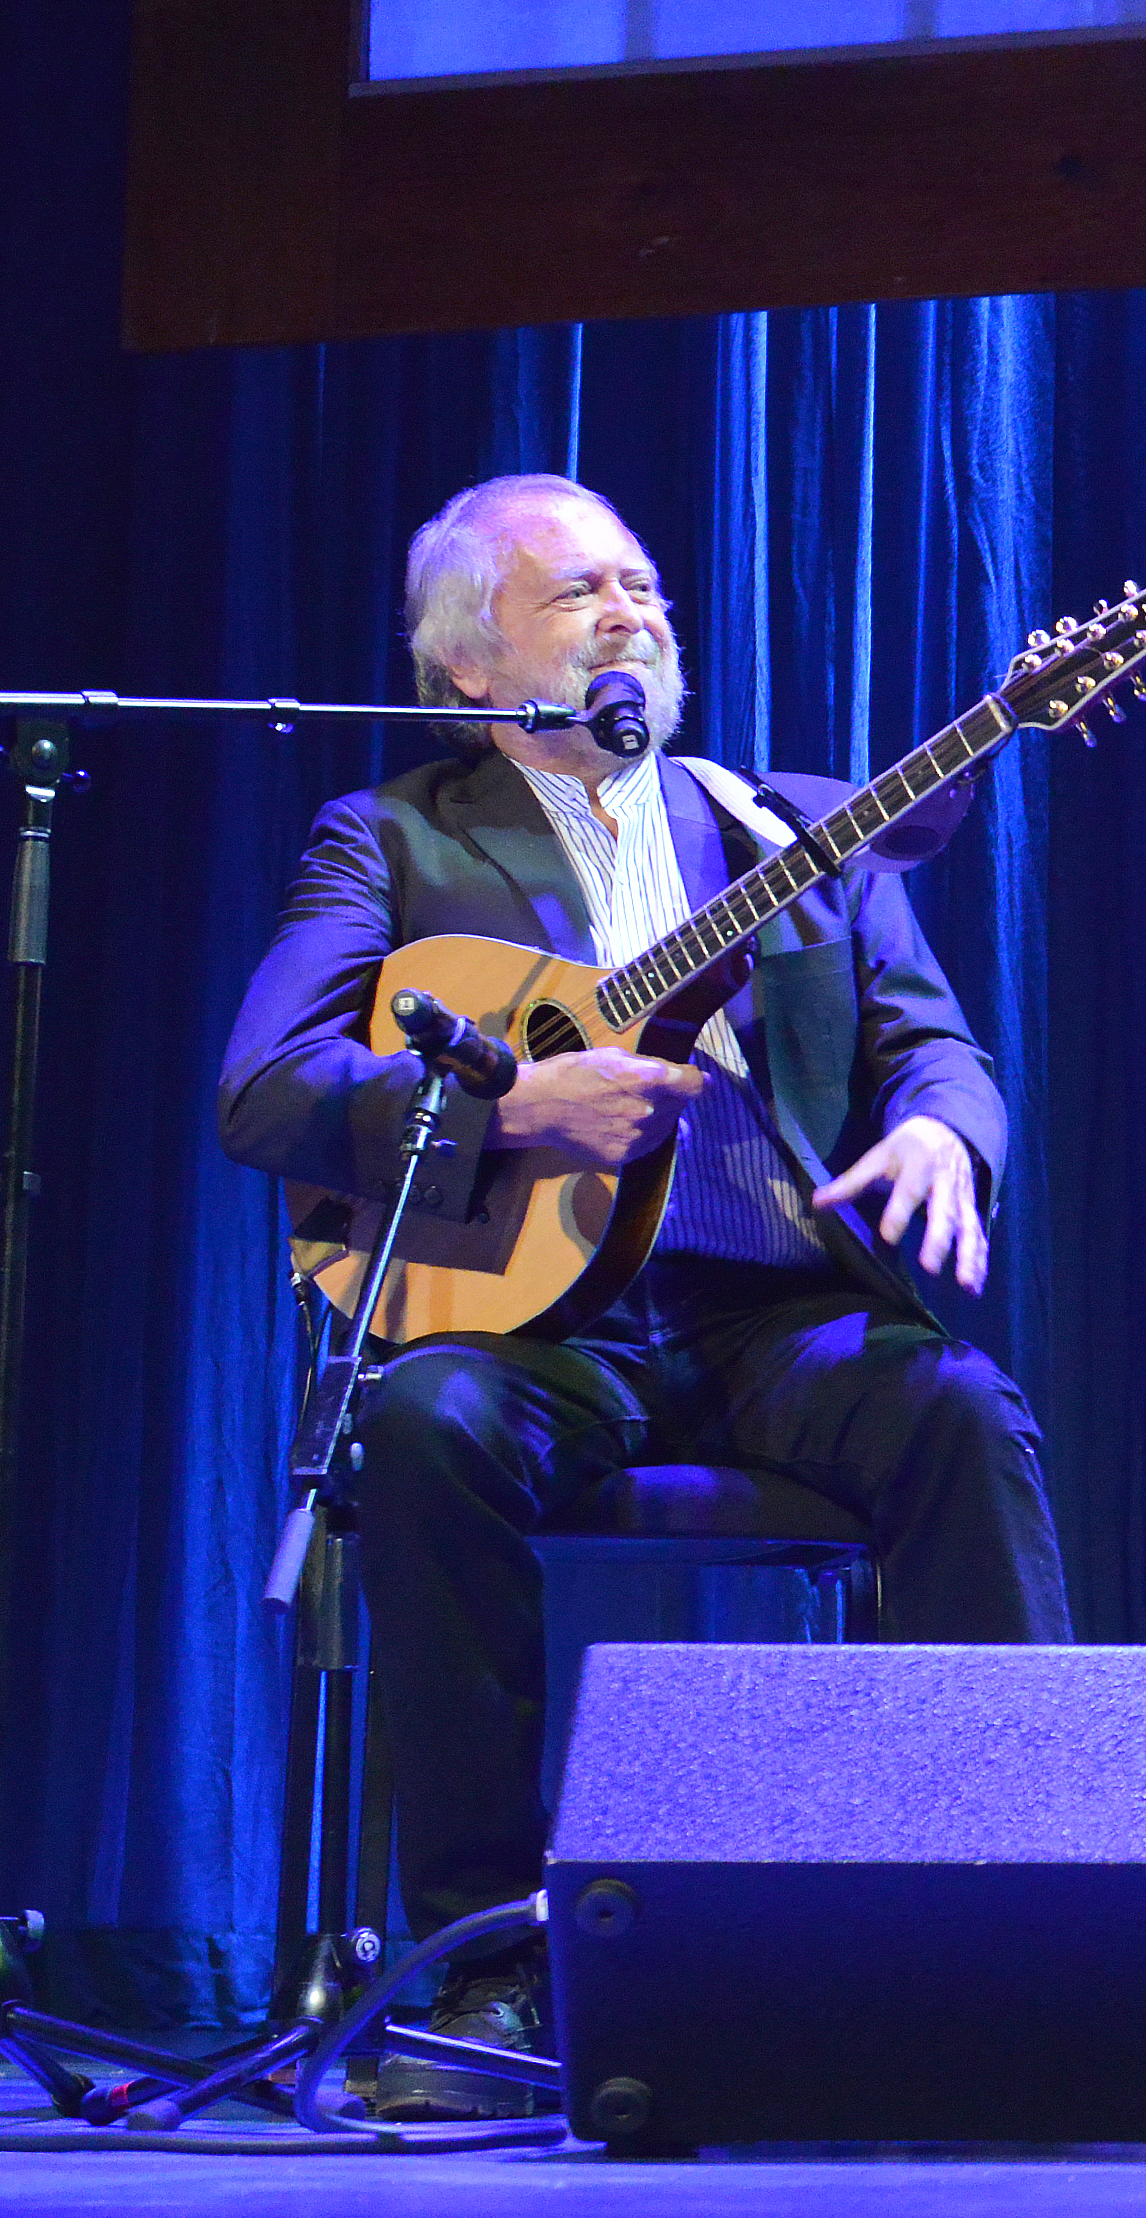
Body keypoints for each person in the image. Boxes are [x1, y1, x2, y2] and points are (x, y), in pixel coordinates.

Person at [221, 475, 1070, 2116]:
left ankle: (1022, 1920)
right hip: (533, 1325)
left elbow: (936, 1046)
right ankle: (481, 1963)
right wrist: (502, 1111)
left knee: (955, 1403)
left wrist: (950, 1140)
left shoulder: (791, 825)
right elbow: (265, 1086)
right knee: (419, 1425)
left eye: (647, 586)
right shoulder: (391, 838)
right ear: (473, 664)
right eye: (580, 592)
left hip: (777, 1315)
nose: (635, 613)